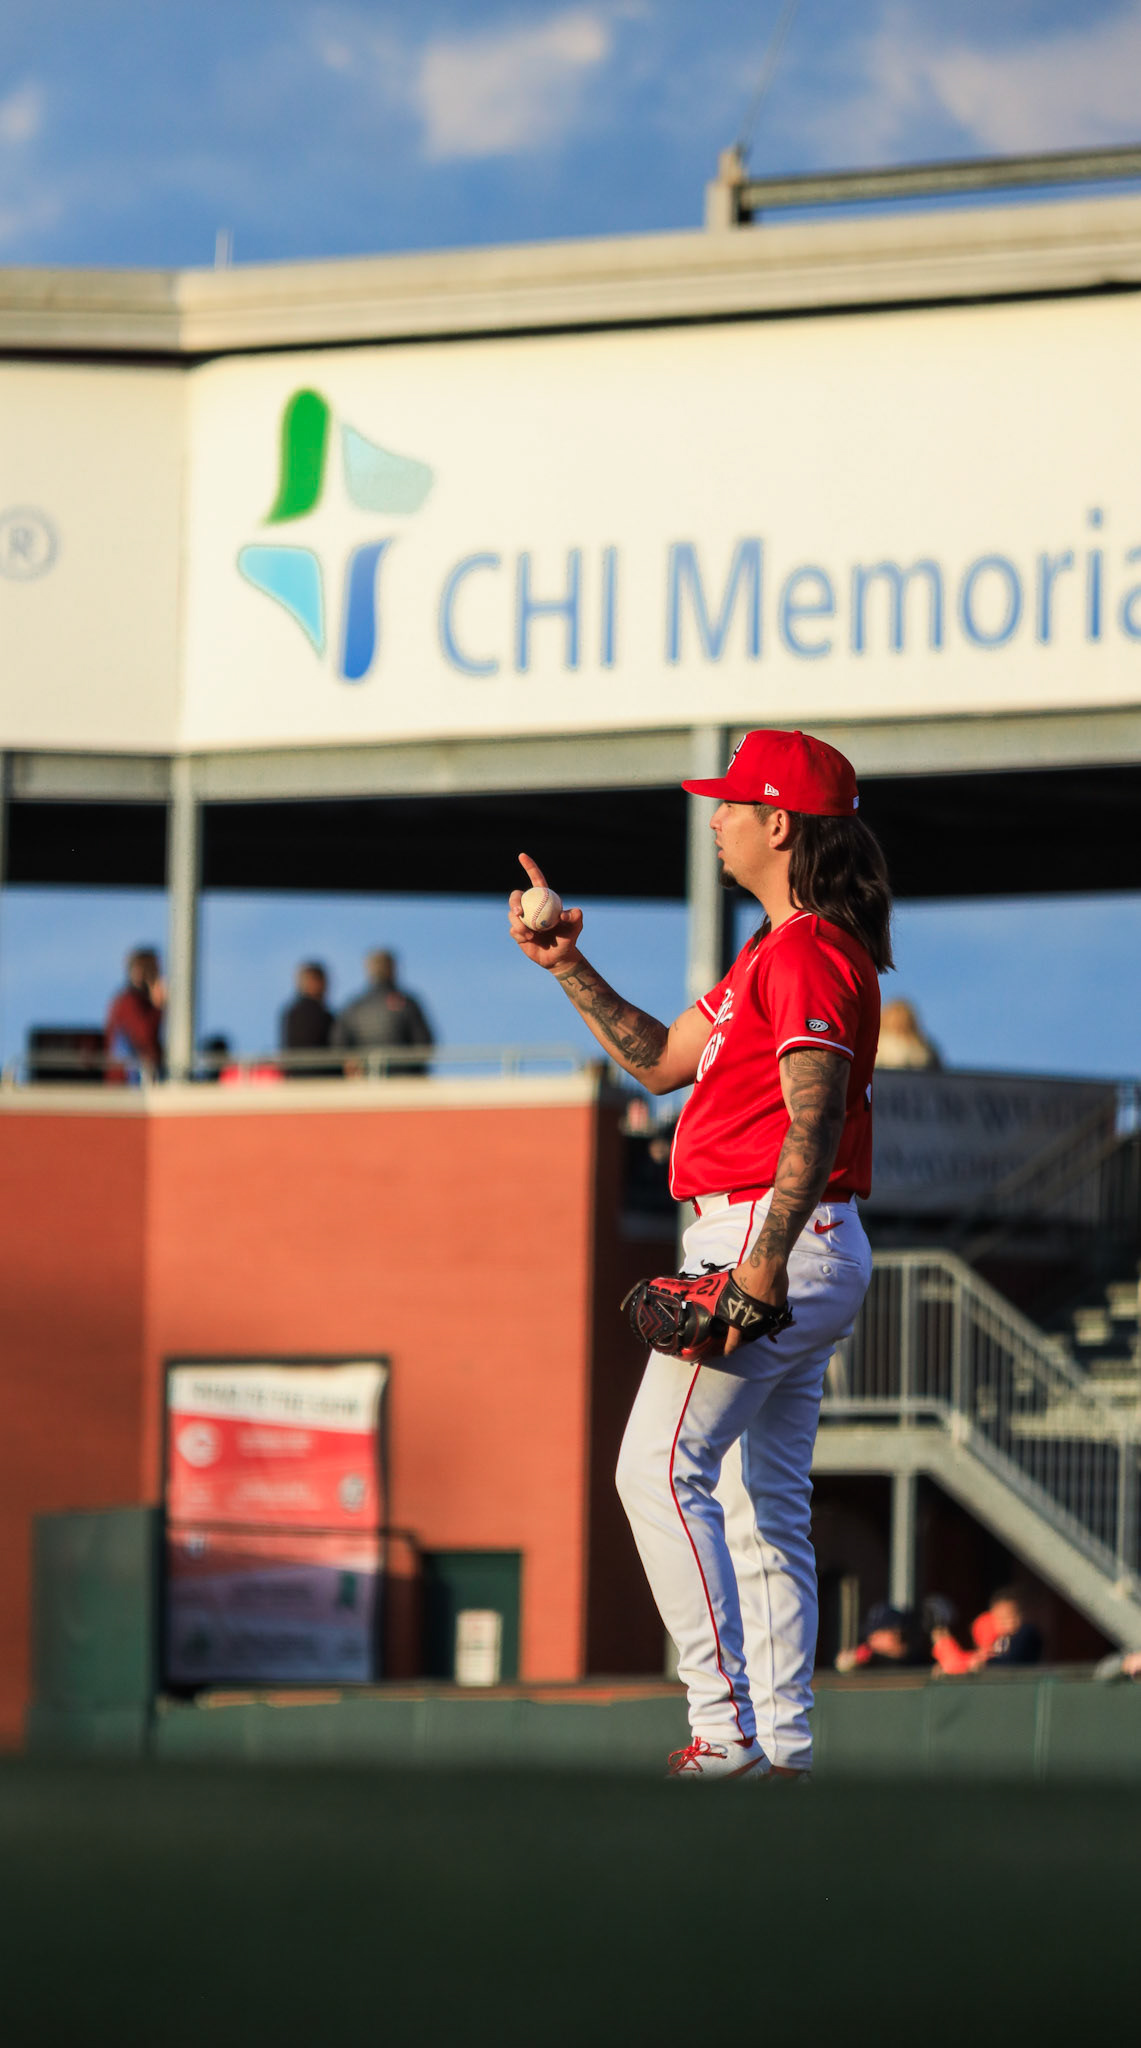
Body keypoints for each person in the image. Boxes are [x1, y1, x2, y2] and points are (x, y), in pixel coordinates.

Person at [509, 728, 891, 1781]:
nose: (714, 817)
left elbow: (811, 1122)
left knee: (656, 1468)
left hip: (774, 1231)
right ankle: (783, 1748)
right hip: (794, 1236)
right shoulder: (774, 951)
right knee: (767, 1501)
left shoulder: (811, 948)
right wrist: (566, 963)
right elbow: (661, 1057)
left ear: (781, 823)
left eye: (732, 803)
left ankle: (724, 1733)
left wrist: (760, 1264)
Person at [331, 950, 434, 1077]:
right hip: (403, 1080)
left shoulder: (354, 1007)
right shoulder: (408, 1004)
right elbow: (424, 1045)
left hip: (365, 1083)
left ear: (369, 970)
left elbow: (339, 1046)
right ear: (393, 969)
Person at [932, 1589, 1042, 1674]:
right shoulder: (996, 1640)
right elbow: (975, 1659)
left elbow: (1012, 1661)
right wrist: (949, 1667)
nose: (1006, 1623)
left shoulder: (1026, 1633)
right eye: (1000, 1619)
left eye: (1011, 1617)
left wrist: (985, 1665)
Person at [104, 947, 165, 1081]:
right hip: (129, 1086)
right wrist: (159, 1006)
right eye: (154, 969)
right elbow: (144, 1037)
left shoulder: (138, 1002)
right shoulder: (129, 1002)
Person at [279, 962, 342, 1078]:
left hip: (294, 1081)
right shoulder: (323, 1015)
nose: (327, 987)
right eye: (324, 982)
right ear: (315, 983)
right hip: (322, 1082)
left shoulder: (289, 1014)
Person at [835, 1602, 927, 1672]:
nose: (871, 1640)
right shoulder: (872, 1661)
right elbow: (842, 1664)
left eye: (878, 1635)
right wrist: (853, 1659)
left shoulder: (917, 1659)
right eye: (871, 1635)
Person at [875, 997, 941, 1070]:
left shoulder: (926, 1053)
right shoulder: (872, 1053)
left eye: (902, 1026)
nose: (898, 1029)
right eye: (894, 1026)